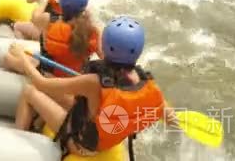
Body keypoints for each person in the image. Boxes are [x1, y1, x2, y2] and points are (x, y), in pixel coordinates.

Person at [10, 16, 177, 159]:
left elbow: (41, 83)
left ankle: (14, 148)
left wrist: (22, 56)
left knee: (30, 91)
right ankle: (38, 123)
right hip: (105, 137)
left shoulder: (93, 82)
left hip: (81, 144)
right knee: (63, 97)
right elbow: (169, 116)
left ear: (104, 46)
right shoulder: (146, 83)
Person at [4, 0, 102, 77]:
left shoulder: (48, 20)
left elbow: (34, 16)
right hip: (76, 76)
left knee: (7, 58)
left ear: (61, 3)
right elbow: (103, 56)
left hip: (49, 75)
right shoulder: (94, 30)